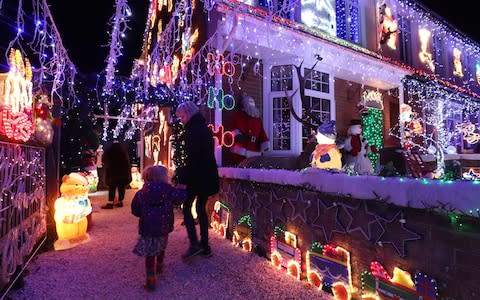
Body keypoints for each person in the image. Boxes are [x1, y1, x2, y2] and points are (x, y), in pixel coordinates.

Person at [174, 101, 219, 262]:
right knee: (200, 207)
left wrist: (183, 179)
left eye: (182, 117)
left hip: (197, 176)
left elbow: (192, 158)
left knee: (187, 207)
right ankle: (205, 245)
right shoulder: (203, 128)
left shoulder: (192, 131)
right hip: (207, 175)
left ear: (188, 114)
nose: (181, 120)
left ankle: (195, 244)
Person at [131, 165, 186, 292]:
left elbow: (135, 210)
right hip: (163, 226)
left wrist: (143, 214)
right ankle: (160, 265)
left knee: (150, 253)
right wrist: (183, 187)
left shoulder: (141, 193)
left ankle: (150, 280)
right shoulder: (168, 190)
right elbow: (180, 198)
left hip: (148, 227)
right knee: (161, 245)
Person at [230, 93, 269, 165]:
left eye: (252, 102)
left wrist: (265, 142)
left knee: (253, 167)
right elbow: (233, 127)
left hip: (254, 150)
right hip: (241, 149)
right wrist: (237, 135)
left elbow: (262, 132)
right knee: (240, 167)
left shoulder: (257, 119)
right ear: (245, 104)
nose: (252, 104)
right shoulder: (238, 116)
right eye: (249, 102)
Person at [101, 142, 131, 209]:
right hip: (122, 174)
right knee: (121, 188)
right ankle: (120, 201)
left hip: (113, 174)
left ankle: (110, 203)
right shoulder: (123, 153)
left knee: (112, 188)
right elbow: (127, 165)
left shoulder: (109, 154)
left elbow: (105, 162)